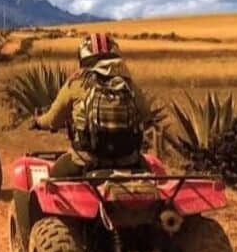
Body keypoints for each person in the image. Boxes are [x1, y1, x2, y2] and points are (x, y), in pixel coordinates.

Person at [33, 33, 151, 178]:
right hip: (130, 162)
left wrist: (38, 121)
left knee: (50, 184)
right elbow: (146, 116)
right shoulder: (129, 85)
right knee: (155, 179)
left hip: (85, 161)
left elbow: (52, 120)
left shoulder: (76, 83)